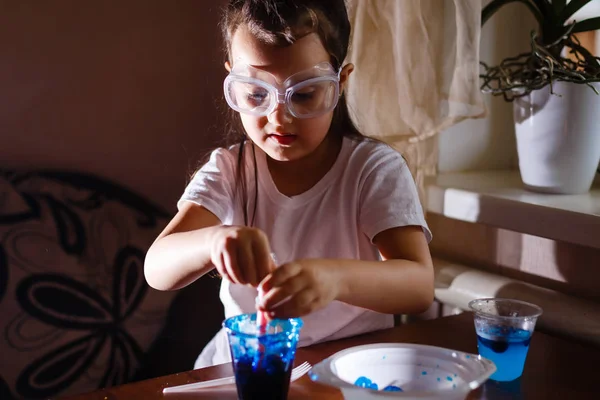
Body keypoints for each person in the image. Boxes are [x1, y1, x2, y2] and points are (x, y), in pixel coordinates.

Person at [144, 0, 434, 369]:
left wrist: (334, 279)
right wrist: (213, 241)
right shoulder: (231, 171)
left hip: (348, 371)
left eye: (303, 94)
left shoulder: (372, 170)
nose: (277, 117)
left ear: (339, 83)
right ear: (233, 80)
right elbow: (156, 268)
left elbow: (419, 286)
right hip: (248, 367)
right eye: (255, 94)